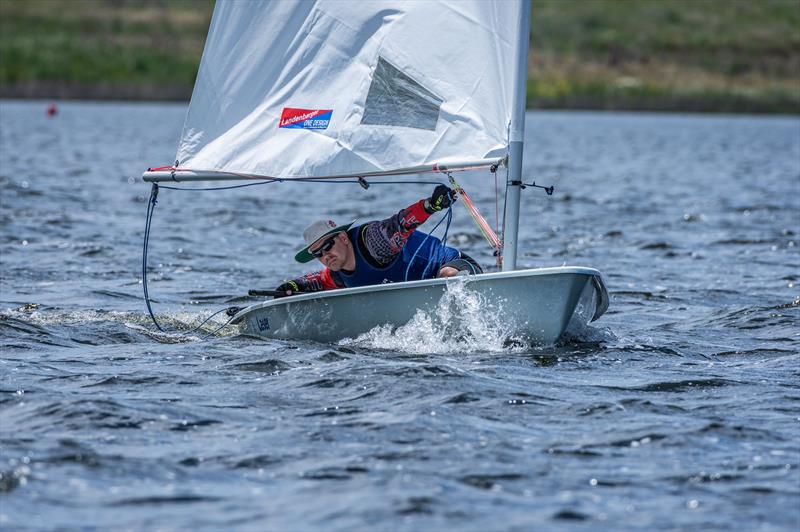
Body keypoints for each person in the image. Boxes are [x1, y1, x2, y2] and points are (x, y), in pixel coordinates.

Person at [275, 185, 483, 296]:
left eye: (327, 246)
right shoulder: (339, 273)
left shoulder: (374, 242)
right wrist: (292, 286)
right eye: (317, 254)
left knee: (446, 275)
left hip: (456, 268)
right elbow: (320, 281)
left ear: (343, 237)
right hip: (422, 296)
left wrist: (430, 205)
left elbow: (401, 223)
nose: (325, 256)